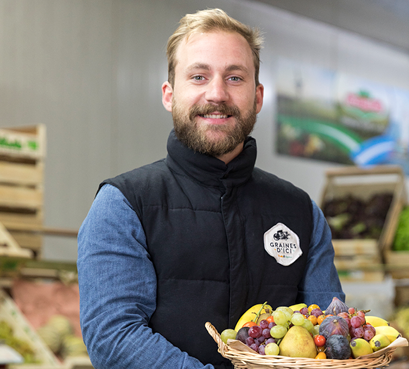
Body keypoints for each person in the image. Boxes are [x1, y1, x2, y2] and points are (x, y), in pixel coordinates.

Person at [77, 8, 344, 369]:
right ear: (170, 94)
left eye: (235, 78)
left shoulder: (301, 213)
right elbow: (113, 338)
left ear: (258, 96)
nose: (217, 93)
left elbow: (333, 339)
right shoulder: (124, 205)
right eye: (199, 76)